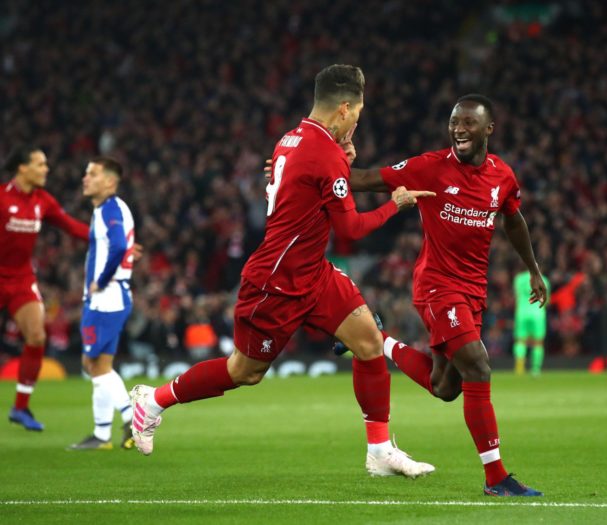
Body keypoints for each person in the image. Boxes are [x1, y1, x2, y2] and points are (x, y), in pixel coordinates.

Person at [129, 64, 436, 478]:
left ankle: (379, 452)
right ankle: (153, 401)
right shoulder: (324, 153)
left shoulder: (292, 139)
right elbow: (350, 229)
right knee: (244, 372)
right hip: (276, 281)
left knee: (367, 342)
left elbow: (307, 185)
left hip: (314, 273)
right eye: (359, 113)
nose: (357, 123)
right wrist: (394, 205)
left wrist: (341, 164)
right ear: (344, 108)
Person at [333, 94, 548, 496]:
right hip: (437, 286)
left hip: (472, 291)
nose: (458, 129)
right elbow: (366, 180)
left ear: (488, 129)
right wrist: (315, 168)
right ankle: (496, 477)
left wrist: (533, 269)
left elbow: (514, 219)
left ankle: (376, 339)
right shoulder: (429, 167)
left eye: (468, 123)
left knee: (446, 387)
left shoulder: (502, 175)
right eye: (453, 122)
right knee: (478, 367)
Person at [2, 147, 90, 431]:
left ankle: (20, 408)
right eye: (40, 164)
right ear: (22, 167)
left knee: (37, 336)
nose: (46, 169)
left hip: (21, 279)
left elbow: (71, 226)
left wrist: (110, 239)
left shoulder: (43, 200)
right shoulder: (2, 197)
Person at [68, 157, 137, 450]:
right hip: (111, 296)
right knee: (97, 364)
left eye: (93, 174)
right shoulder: (110, 208)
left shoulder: (109, 208)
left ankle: (132, 419)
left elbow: (119, 245)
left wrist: (102, 279)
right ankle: (103, 433)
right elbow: (121, 244)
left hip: (106, 297)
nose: (86, 178)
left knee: (94, 365)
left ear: (109, 181)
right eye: (86, 173)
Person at [513, 270, 550, 375]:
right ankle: (536, 369)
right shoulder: (544, 280)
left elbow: (517, 296)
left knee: (520, 341)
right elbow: (546, 300)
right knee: (538, 342)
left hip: (522, 313)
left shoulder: (518, 279)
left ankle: (519, 369)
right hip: (537, 314)